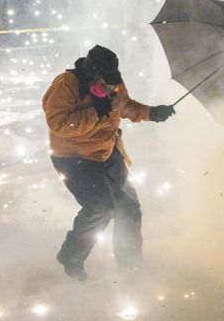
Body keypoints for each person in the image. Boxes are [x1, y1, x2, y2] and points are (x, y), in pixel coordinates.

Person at [43, 45, 176, 281]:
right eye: (106, 83)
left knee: (129, 208)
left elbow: (124, 105)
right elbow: (59, 124)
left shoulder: (114, 82)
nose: (112, 87)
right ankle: (71, 257)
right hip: (74, 158)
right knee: (100, 207)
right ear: (92, 73)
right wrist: (95, 112)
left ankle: (130, 264)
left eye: (114, 82)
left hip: (107, 152)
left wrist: (152, 112)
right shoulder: (66, 85)